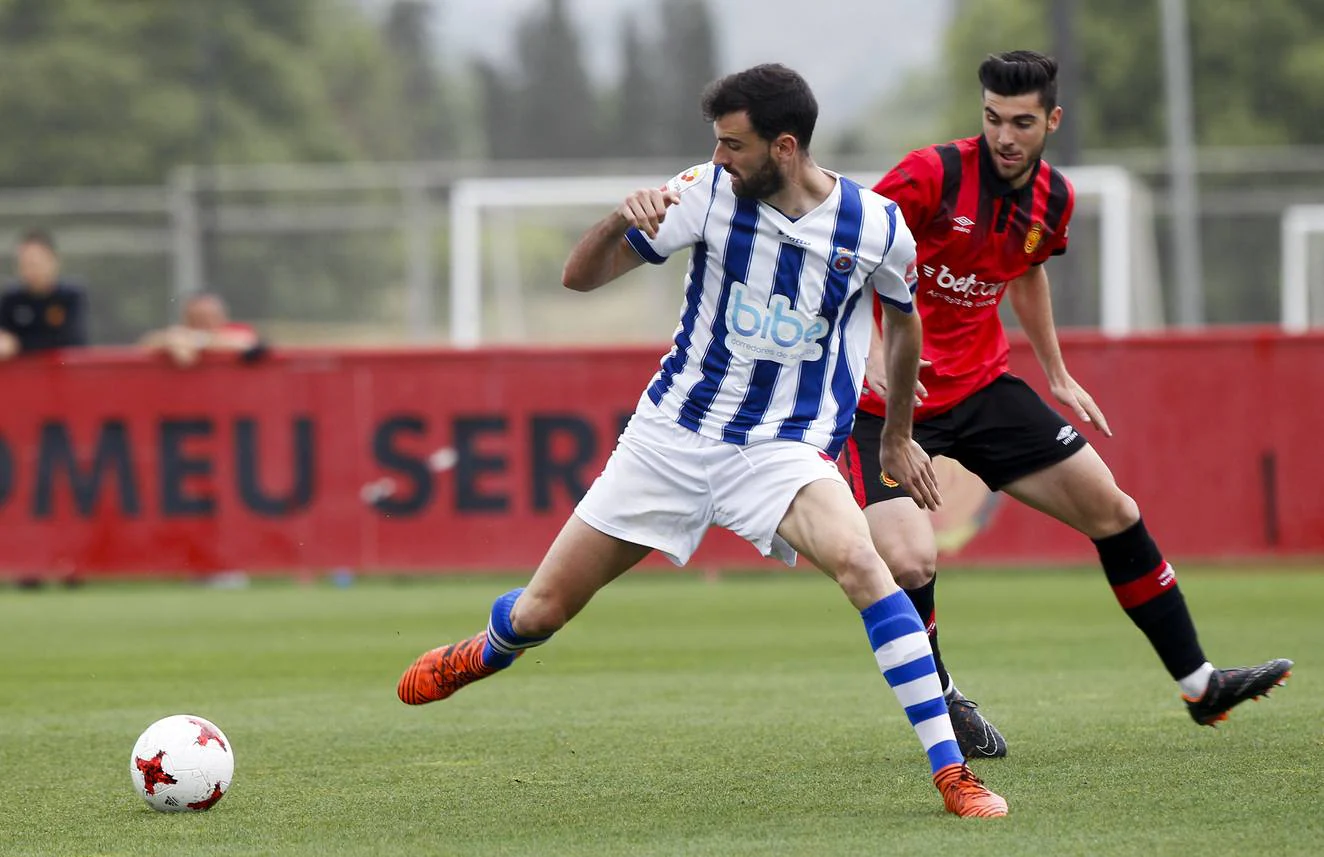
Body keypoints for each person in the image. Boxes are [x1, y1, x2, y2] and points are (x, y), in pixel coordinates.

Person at [397, 64, 1007, 818]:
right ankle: (491, 647)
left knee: (863, 563)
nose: (719, 158)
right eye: (716, 143)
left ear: (784, 147)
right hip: (671, 439)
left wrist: (896, 437)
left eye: (732, 144)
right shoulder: (704, 194)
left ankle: (953, 776)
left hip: (782, 448)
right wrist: (622, 220)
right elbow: (577, 279)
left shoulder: (875, 225)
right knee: (543, 612)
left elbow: (904, 317)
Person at [845, 50, 1292, 759]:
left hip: (984, 390)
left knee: (1114, 511)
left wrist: (1056, 371)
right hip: (886, 403)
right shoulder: (932, 174)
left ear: (1051, 120)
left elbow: (1025, 274)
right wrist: (868, 344)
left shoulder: (1053, 198)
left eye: (1022, 121)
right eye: (993, 118)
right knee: (908, 562)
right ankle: (943, 698)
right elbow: (849, 243)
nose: (1005, 136)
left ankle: (1200, 685)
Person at [0, 229, 88, 361]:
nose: (30, 269)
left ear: (54, 261)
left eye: (35, 263)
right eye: (24, 264)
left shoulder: (70, 297)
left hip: (63, 375)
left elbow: (71, 340)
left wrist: (19, 345)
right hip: (22, 377)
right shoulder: (11, 299)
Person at [140, 290, 266, 367]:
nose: (204, 323)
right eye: (197, 318)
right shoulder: (177, 334)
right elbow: (146, 344)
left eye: (209, 317)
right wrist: (172, 340)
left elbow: (248, 343)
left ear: (222, 316)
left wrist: (197, 341)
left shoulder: (238, 331)